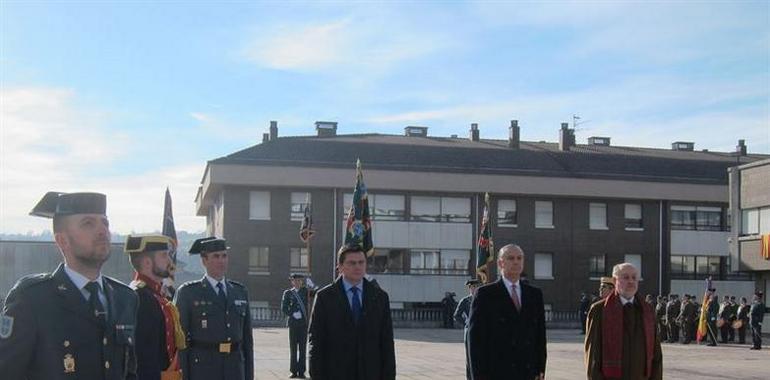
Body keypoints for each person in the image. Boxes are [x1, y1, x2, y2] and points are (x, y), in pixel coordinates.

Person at [0, 191, 138, 379]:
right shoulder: (32, 299)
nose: (102, 230)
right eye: (88, 223)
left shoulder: (125, 298)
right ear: (62, 240)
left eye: (105, 222)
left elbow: (129, 372)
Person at [308, 245, 396, 380]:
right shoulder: (325, 297)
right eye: (352, 263)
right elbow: (316, 343)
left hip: (370, 373)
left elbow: (387, 344)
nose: (357, 267)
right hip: (335, 373)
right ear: (340, 266)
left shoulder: (379, 297)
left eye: (361, 262)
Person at [174, 237, 253, 380]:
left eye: (224, 256)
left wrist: (248, 375)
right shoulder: (189, 293)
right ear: (204, 260)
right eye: (216, 256)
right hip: (203, 369)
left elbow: (247, 342)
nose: (221, 261)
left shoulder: (239, 291)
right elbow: (181, 342)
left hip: (234, 368)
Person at [468, 244, 547, 380]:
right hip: (497, 372)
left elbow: (540, 336)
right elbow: (475, 341)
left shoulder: (534, 294)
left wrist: (540, 369)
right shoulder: (486, 295)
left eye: (519, 258)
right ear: (500, 263)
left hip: (526, 372)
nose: (516, 262)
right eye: (511, 258)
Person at [585, 263, 662, 380]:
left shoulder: (647, 310)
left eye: (634, 278)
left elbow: (656, 356)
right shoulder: (599, 310)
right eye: (626, 277)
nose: (631, 281)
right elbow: (593, 358)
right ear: (615, 281)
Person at [126, 234, 185, 380]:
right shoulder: (140, 297)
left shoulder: (155, 294)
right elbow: (143, 358)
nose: (170, 261)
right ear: (147, 262)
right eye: (164, 255)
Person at [281, 273, 310, 379]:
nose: (297, 282)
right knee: (293, 348)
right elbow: (284, 307)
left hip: (303, 324)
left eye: (299, 280)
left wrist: (313, 286)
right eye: (295, 280)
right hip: (293, 323)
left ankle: (302, 371)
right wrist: (292, 313)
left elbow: (317, 294)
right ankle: (293, 371)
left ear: (302, 282)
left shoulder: (306, 291)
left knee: (302, 348)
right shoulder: (288, 293)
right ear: (292, 282)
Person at [454, 278, 482, 380]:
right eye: (472, 287)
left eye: (476, 286)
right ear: (469, 288)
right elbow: (456, 316)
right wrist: (466, 322)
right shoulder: (465, 301)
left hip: (481, 331)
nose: (474, 289)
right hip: (469, 331)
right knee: (470, 356)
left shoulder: (483, 300)